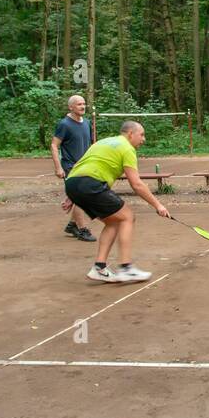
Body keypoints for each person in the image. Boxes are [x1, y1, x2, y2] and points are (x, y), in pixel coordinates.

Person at [63, 120, 171, 284]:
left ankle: (99, 268)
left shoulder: (103, 142)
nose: (144, 139)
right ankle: (126, 267)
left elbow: (80, 165)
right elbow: (137, 184)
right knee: (127, 216)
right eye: (141, 135)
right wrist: (158, 205)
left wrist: (71, 194)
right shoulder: (127, 148)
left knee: (113, 221)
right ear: (130, 134)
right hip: (90, 183)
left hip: (72, 183)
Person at [51, 94, 96, 242]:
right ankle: (82, 229)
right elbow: (54, 145)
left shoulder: (87, 123)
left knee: (80, 197)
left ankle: (72, 225)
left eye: (84, 104)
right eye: (79, 104)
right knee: (80, 197)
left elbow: (90, 145)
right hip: (70, 166)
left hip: (85, 166)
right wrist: (58, 167)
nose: (83, 106)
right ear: (71, 107)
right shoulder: (64, 124)